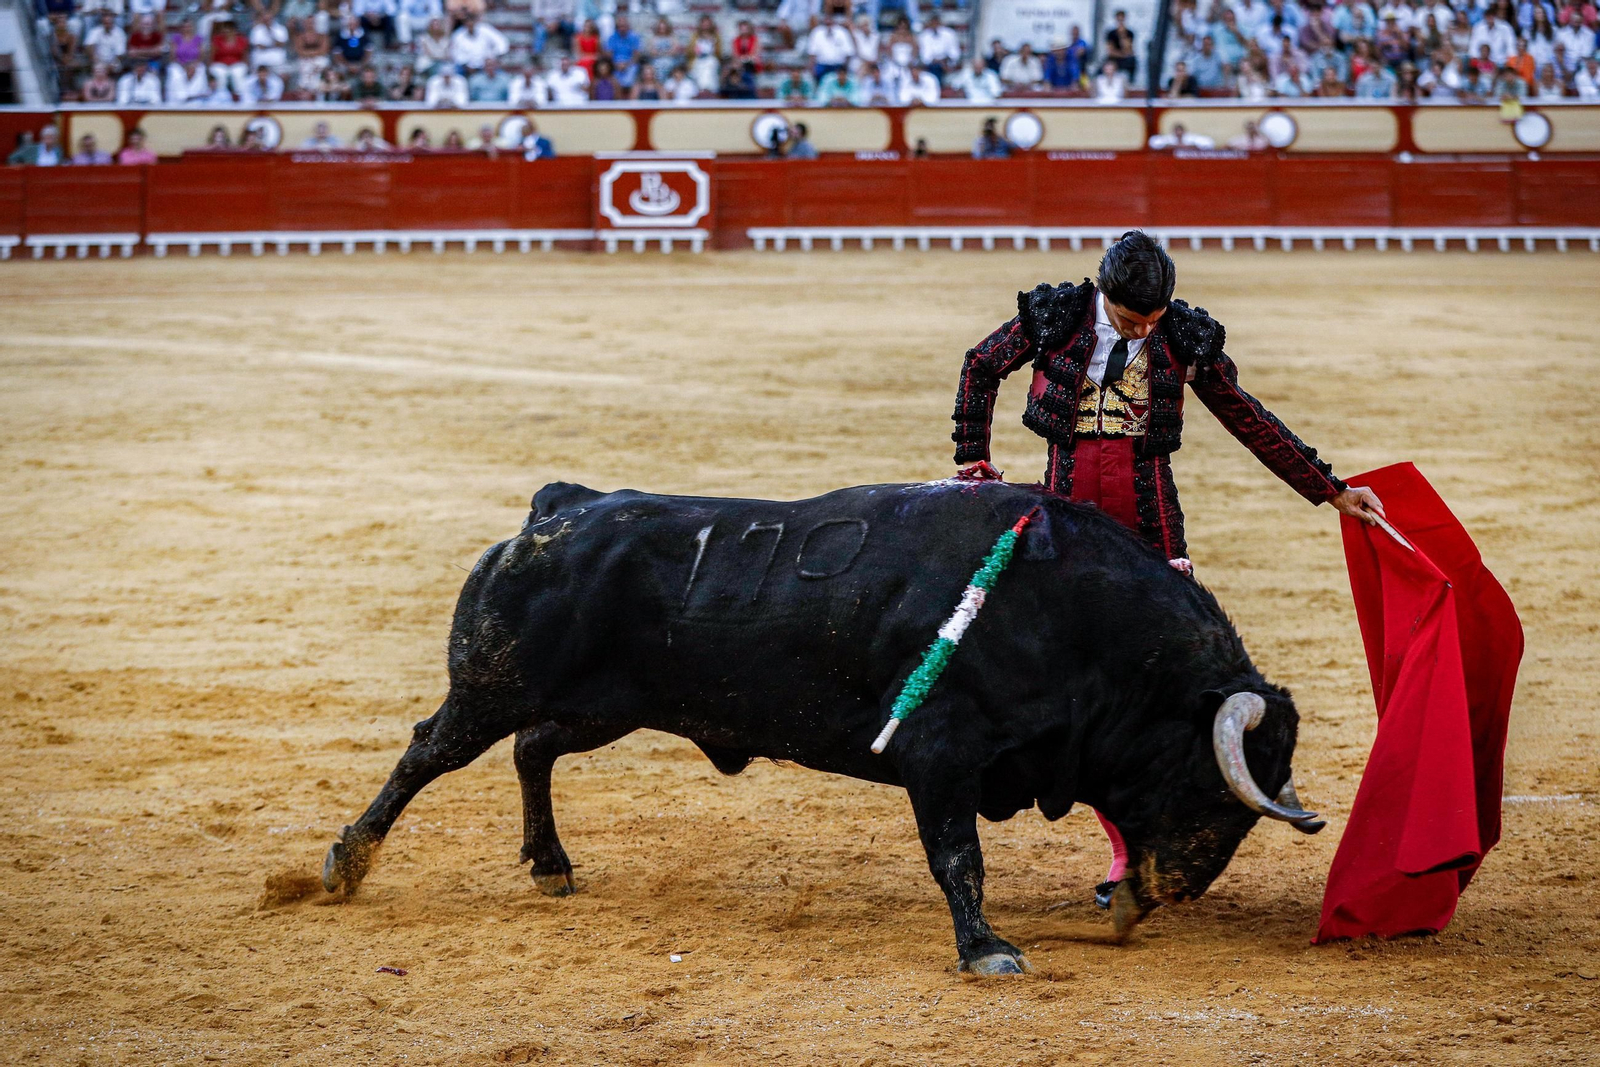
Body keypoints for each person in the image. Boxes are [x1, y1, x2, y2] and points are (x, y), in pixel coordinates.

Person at [948, 232, 1385, 907]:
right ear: (1105, 294)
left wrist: (1328, 488)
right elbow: (980, 365)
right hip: (1065, 525)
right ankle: (1123, 842)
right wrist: (973, 458)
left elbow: (1248, 418)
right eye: (1130, 319)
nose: (1144, 329)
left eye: (1153, 318)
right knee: (1076, 686)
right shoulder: (1058, 316)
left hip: (1149, 525)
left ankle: (1139, 846)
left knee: (1155, 688)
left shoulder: (1183, 335)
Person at [917, 13, 962, 82]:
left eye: (937, 22)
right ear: (929, 23)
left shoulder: (949, 33)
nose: (935, 25)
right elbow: (925, 56)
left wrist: (946, 61)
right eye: (933, 22)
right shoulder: (924, 36)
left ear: (940, 22)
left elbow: (954, 52)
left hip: (947, 63)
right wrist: (938, 62)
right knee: (935, 68)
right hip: (932, 65)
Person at [1105, 9, 1137, 76]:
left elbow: (1129, 50)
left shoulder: (1129, 33)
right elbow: (1110, 51)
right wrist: (1122, 55)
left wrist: (1122, 36)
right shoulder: (1111, 33)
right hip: (1114, 58)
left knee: (1132, 61)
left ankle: (1131, 81)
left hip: (1125, 58)